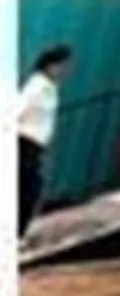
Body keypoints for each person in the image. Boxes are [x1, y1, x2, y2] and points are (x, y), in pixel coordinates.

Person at [17, 45, 74, 242]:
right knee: (27, 191)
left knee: (28, 190)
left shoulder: (49, 88)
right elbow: (17, 109)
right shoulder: (38, 85)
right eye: (63, 65)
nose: (66, 71)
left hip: (33, 146)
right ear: (50, 65)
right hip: (24, 143)